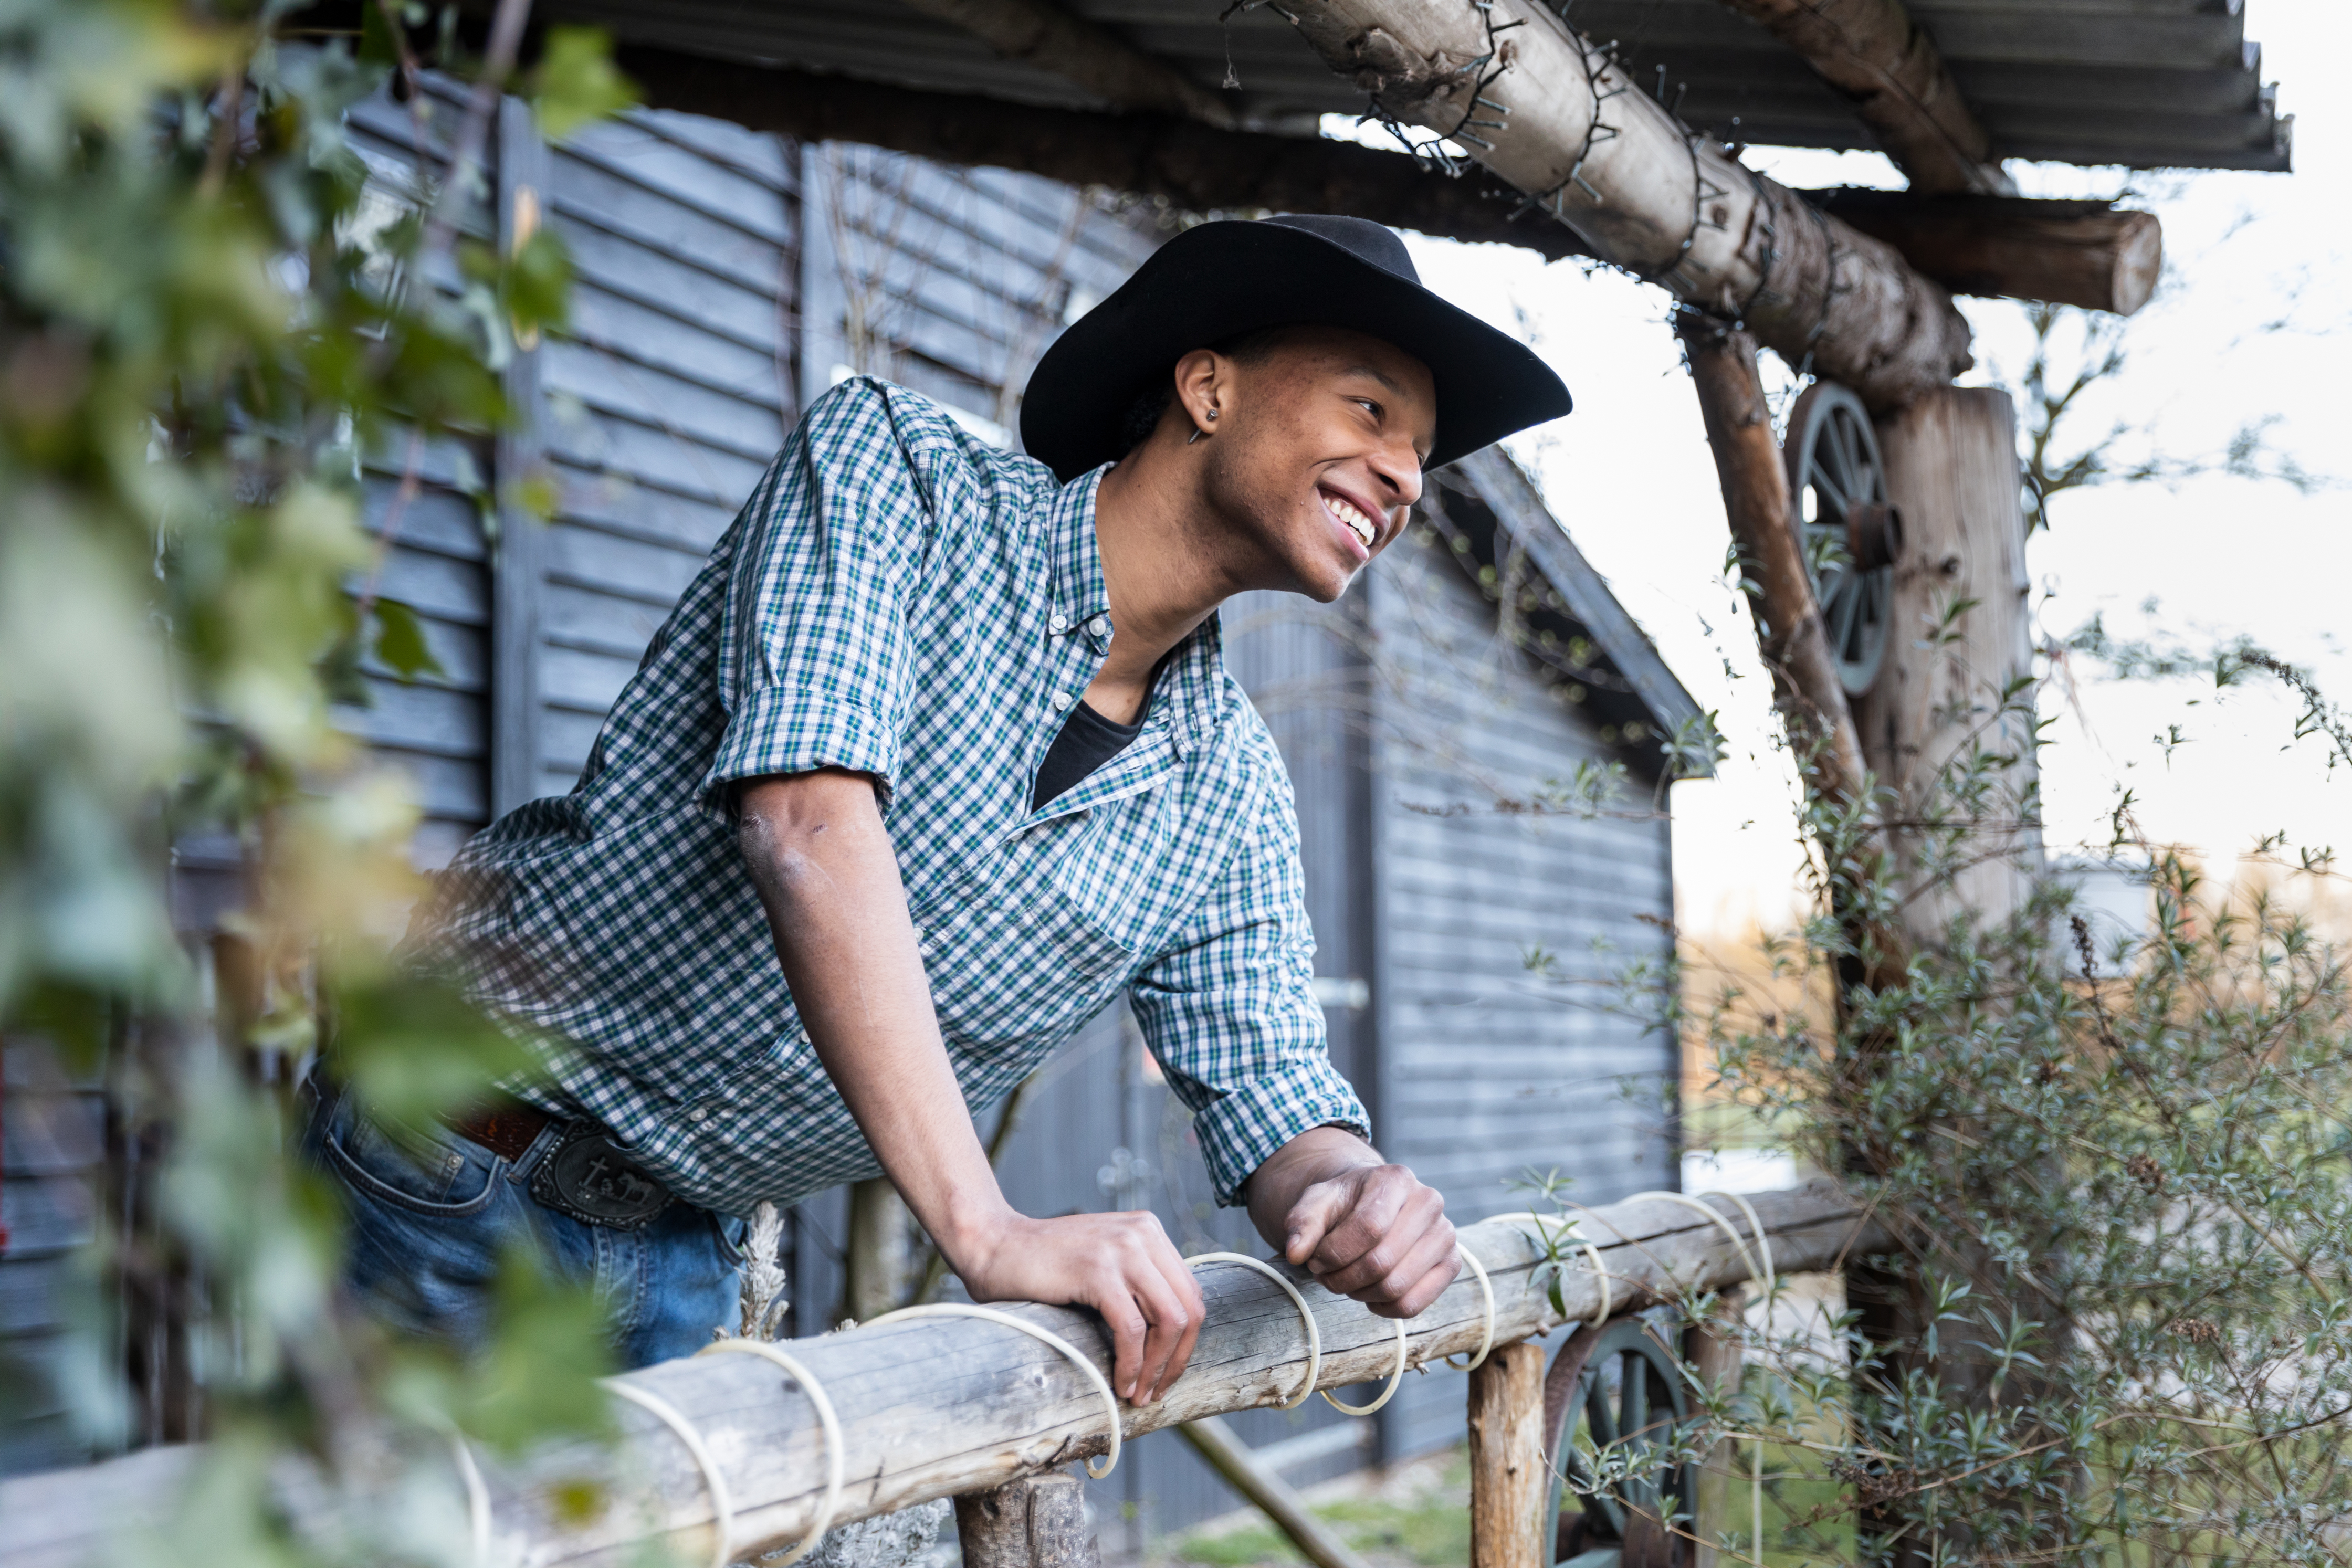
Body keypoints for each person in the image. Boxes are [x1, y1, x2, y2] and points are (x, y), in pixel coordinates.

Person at [304, 214, 1571, 1404]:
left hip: (683, 1249)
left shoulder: (1226, 788)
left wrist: (1355, 1193)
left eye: (1422, 451)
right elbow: (802, 827)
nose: (1405, 473)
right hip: (443, 1161)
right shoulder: (898, 473)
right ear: (1208, 388)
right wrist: (985, 1227)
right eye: (1371, 408)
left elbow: (1274, 1095)